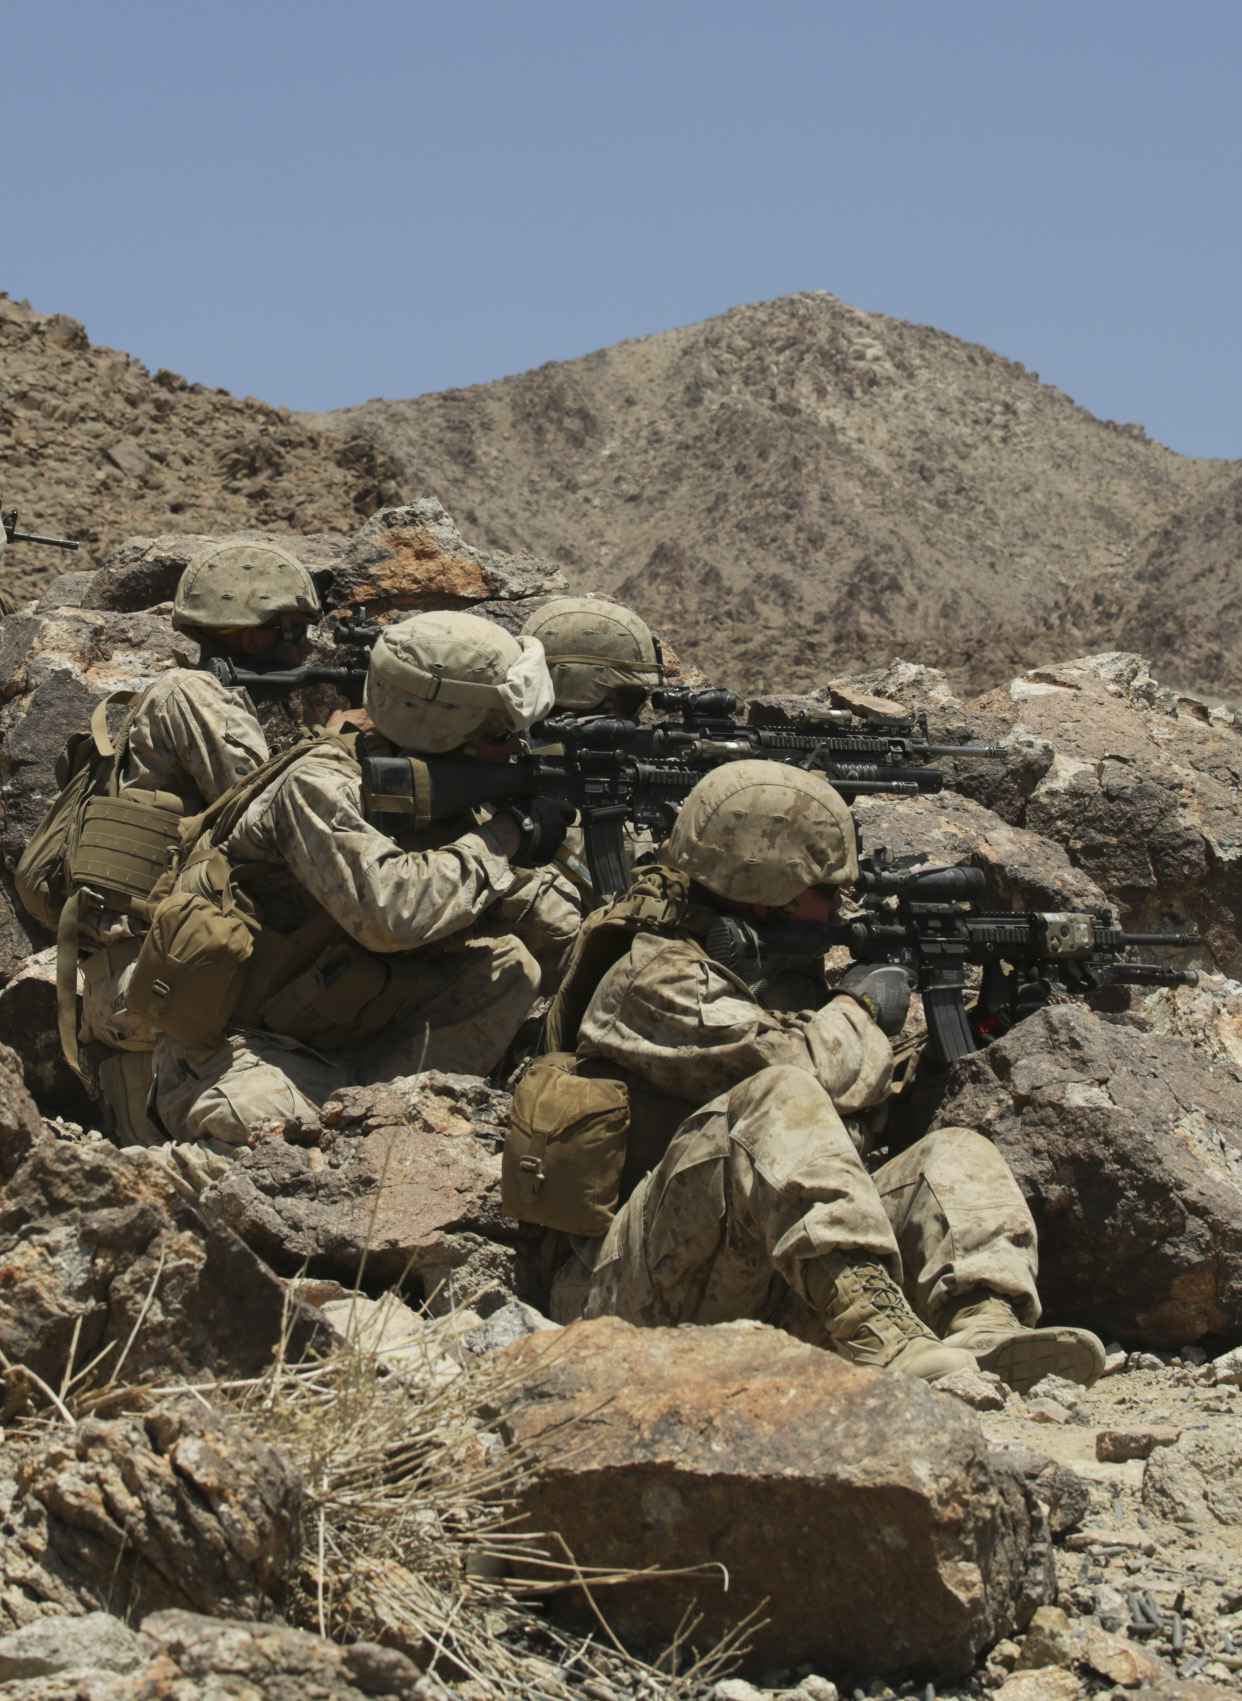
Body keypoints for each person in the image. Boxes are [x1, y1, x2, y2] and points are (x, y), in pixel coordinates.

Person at [540, 759, 1105, 1391]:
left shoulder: (773, 973)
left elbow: (853, 1102)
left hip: (763, 1276)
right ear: (766, 885)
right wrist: (861, 1004)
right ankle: (880, 1332)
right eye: (828, 891)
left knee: (954, 1155)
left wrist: (974, 1029)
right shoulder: (650, 978)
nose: (843, 907)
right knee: (780, 1096)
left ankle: (984, 1328)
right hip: (630, 1291)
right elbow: (795, 1073)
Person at [145, 610, 581, 1148]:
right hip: (248, 1046)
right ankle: (370, 1135)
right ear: (445, 729)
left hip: (353, 1027)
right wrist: (507, 836)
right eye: (501, 733)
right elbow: (393, 915)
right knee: (262, 1127)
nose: (517, 747)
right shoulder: (319, 785)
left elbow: (534, 917)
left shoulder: (439, 793)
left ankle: (393, 1119)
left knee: (509, 968)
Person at [77, 540, 322, 1141]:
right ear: (251, 639)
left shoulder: (196, 694)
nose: (307, 647)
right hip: (146, 983)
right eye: (293, 631)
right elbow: (271, 815)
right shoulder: (194, 696)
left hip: (153, 967)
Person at [520, 596, 663, 901]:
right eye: (634, 701)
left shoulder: (612, 773)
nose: (639, 718)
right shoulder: (511, 791)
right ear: (582, 691)